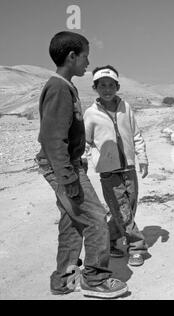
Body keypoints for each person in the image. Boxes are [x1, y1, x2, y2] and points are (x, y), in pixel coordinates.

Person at [35, 31, 128, 299]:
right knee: (96, 217)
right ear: (72, 56)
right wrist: (69, 178)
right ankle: (95, 279)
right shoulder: (58, 87)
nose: (88, 63)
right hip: (63, 167)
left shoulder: (64, 85)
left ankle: (63, 278)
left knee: (73, 220)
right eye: (86, 56)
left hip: (67, 164)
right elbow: (53, 139)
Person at [84, 65, 149, 267]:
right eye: (102, 85)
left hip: (128, 167)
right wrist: (86, 161)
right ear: (95, 87)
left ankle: (109, 240)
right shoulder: (91, 113)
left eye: (111, 85)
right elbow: (85, 142)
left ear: (117, 86)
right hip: (108, 170)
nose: (107, 89)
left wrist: (143, 158)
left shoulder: (125, 107)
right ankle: (136, 246)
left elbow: (136, 134)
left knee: (129, 206)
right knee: (121, 209)